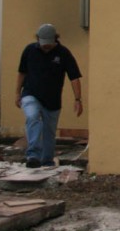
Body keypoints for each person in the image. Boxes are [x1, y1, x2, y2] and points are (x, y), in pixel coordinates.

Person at [15, 23, 83, 168]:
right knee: (32, 116)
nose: (45, 47)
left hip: (52, 100)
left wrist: (78, 99)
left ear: (55, 39)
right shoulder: (29, 50)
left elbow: (74, 78)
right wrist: (17, 93)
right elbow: (22, 72)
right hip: (30, 94)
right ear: (38, 39)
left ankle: (47, 161)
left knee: (49, 132)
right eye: (43, 43)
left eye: (48, 44)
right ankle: (32, 155)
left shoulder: (63, 53)